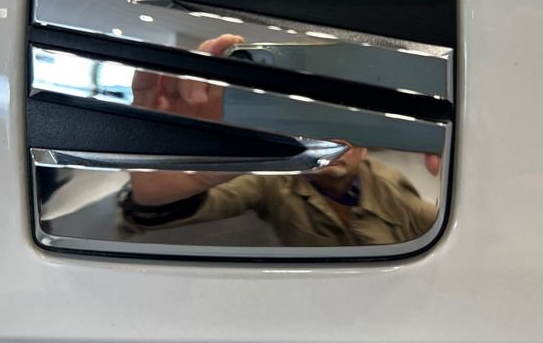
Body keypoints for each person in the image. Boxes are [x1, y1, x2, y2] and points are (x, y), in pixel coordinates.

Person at [120, 34, 439, 247]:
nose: (334, 143)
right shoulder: (274, 182)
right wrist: (158, 191)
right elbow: (214, 201)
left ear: (365, 148)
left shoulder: (387, 182)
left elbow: (429, 220)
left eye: (349, 135)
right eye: (317, 130)